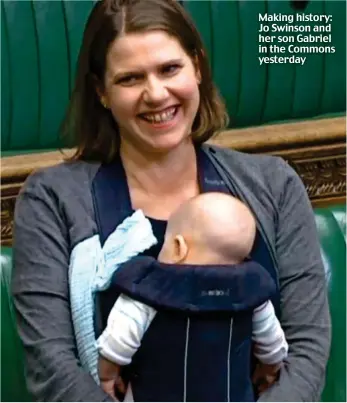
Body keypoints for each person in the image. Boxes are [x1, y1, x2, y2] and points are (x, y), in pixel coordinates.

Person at [12, 0, 330, 401]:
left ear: (197, 66)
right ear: (102, 93)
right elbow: (52, 367)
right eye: (130, 79)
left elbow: (306, 349)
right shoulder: (51, 200)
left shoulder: (275, 184)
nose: (156, 94)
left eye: (169, 69)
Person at [96, 192, 289, 400]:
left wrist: (108, 376)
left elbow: (116, 343)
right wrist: (269, 370)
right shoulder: (251, 293)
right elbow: (273, 346)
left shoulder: (149, 287)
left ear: (178, 247)